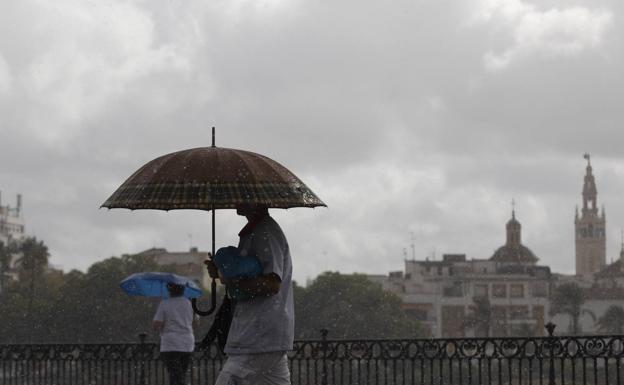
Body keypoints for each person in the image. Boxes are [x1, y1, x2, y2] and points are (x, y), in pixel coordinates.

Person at [206, 204, 294, 385]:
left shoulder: (264, 232)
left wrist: (229, 279)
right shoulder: (258, 231)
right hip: (264, 335)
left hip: (258, 335)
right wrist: (223, 272)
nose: (235, 200)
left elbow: (272, 284)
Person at [153, 282, 198, 385]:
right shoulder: (188, 303)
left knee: (174, 375)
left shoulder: (165, 303)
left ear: (169, 290)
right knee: (181, 373)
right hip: (187, 344)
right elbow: (196, 322)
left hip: (170, 344)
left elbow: (156, 324)